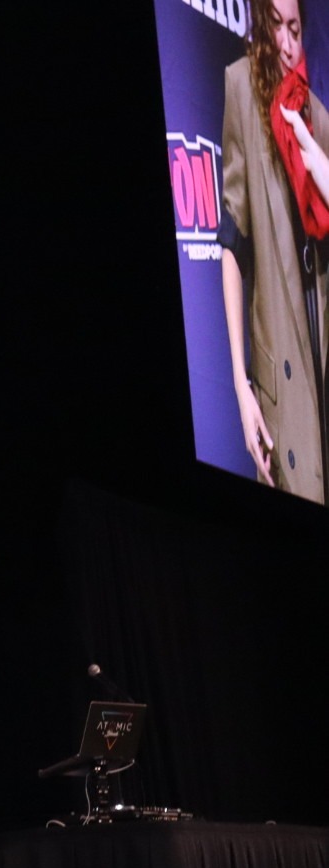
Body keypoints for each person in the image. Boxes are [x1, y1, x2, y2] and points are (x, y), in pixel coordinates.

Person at [221, 0, 329, 502]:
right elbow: (232, 241)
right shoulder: (242, 87)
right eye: (277, 28)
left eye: (296, 29)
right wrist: (242, 386)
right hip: (278, 372)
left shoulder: (317, 116)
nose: (288, 46)